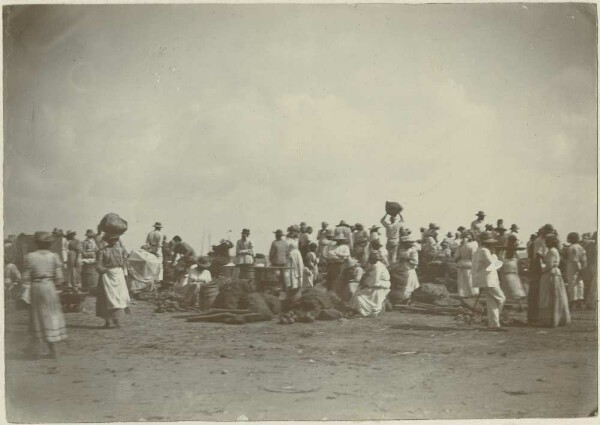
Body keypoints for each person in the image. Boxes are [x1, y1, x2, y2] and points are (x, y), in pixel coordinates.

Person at [22, 231, 67, 358]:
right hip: (50, 287)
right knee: (52, 315)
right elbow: (59, 279)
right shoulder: (54, 256)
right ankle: (53, 350)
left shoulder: (30, 257)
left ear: (37, 243)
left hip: (36, 287)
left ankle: (34, 350)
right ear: (49, 244)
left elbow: (25, 277)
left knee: (37, 316)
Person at [472, 232, 506, 330]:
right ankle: (493, 320)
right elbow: (493, 265)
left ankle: (493, 324)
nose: (492, 244)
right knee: (501, 298)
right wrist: (499, 260)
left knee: (492, 302)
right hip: (488, 279)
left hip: (488, 279)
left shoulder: (480, 250)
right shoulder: (484, 251)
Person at [96, 234, 130, 328]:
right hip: (107, 275)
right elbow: (98, 264)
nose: (113, 242)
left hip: (118, 275)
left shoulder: (121, 250)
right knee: (106, 298)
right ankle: (107, 321)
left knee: (118, 297)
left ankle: (116, 320)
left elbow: (126, 259)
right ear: (107, 241)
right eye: (111, 240)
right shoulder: (102, 251)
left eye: (115, 240)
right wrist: (103, 270)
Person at [538, 234, 571, 328]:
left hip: (551, 274)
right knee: (556, 296)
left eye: (547, 241)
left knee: (551, 296)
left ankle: (553, 319)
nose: (545, 242)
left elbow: (549, 265)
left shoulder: (552, 251)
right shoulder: (553, 251)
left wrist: (541, 264)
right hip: (553, 273)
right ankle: (556, 318)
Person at [528, 224, 556, 324]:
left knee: (540, 293)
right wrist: (542, 269)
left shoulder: (543, 240)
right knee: (536, 292)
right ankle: (533, 316)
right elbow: (538, 256)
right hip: (538, 267)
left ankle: (536, 316)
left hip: (541, 267)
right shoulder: (540, 241)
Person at [350, 252, 391, 317]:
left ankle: (366, 311)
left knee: (359, 295)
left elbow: (375, 280)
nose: (370, 260)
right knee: (358, 291)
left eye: (371, 259)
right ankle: (358, 310)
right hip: (374, 284)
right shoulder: (374, 265)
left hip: (380, 285)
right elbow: (368, 273)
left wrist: (366, 284)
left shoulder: (378, 266)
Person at [499, 234, 526, 311]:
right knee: (509, 290)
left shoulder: (513, 249)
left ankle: (520, 306)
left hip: (511, 269)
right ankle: (518, 306)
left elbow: (517, 258)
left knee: (513, 290)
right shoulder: (505, 249)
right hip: (509, 269)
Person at [566, 232, 587, 311]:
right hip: (580, 264)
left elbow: (574, 259)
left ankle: (573, 301)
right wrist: (583, 267)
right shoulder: (581, 247)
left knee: (572, 282)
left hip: (572, 265)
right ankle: (580, 299)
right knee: (580, 282)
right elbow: (584, 258)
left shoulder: (572, 247)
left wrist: (578, 267)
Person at [454, 231, 479, 298]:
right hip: (469, 263)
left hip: (462, 263)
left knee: (462, 279)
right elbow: (474, 256)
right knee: (470, 278)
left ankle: (463, 293)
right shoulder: (473, 245)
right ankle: (472, 293)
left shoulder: (461, 246)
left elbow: (456, 256)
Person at [396, 236, 420, 301]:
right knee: (402, 285)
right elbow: (399, 259)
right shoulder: (401, 250)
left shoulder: (413, 251)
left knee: (409, 286)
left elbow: (415, 262)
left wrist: (407, 259)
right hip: (402, 269)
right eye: (409, 243)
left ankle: (408, 299)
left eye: (411, 243)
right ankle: (403, 298)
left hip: (409, 270)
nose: (411, 244)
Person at [286, 229, 304, 300]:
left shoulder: (297, 239)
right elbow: (287, 247)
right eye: (294, 232)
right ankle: (292, 285)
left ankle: (298, 286)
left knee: (298, 269)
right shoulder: (288, 239)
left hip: (297, 255)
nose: (295, 233)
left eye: (296, 232)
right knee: (291, 270)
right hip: (291, 255)